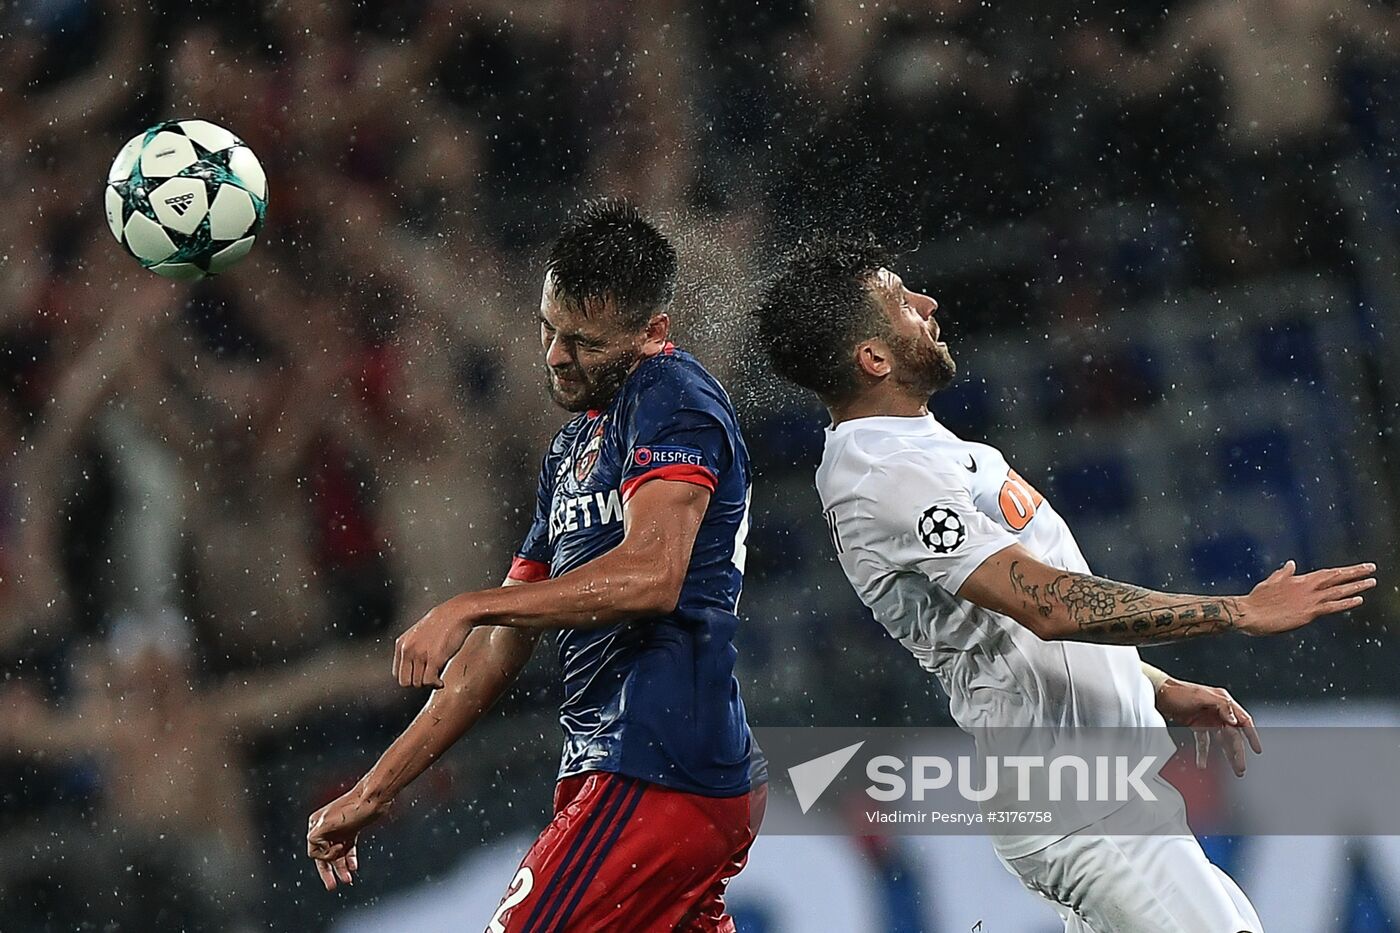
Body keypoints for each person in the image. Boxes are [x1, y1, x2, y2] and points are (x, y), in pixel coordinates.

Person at [751, 238, 1377, 933]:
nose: (927, 305)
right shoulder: (885, 475)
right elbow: (1046, 605)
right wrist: (1237, 610)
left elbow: (1014, 626)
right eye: (902, 301)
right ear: (874, 358)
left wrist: (1156, 685)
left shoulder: (918, 450)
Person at [307, 199, 765, 931]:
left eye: (582, 340)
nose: (554, 355)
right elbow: (494, 654)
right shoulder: (570, 451)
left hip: (657, 762)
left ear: (653, 334)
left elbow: (653, 574)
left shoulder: (673, 395)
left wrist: (469, 603)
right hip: (623, 769)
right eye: (548, 329)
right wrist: (374, 789)